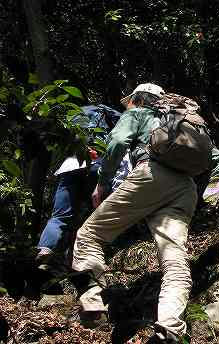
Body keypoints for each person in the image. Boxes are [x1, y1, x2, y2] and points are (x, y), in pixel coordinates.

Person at [71, 83, 198, 342]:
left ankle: (93, 301)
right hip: (186, 187)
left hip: (151, 175)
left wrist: (103, 182)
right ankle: (170, 327)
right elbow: (216, 158)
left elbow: (117, 142)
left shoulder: (138, 113)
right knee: (174, 260)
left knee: (89, 234)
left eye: (129, 100)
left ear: (138, 99)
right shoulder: (184, 122)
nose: (126, 104)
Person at [35, 105, 125, 276]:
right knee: (95, 215)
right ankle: (86, 259)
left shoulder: (72, 116)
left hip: (70, 166)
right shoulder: (105, 112)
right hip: (96, 164)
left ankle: (46, 249)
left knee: (60, 216)